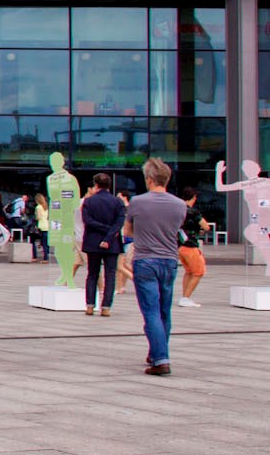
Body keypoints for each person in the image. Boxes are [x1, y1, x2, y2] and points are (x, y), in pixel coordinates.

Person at [124, 158, 182, 376]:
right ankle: (157, 351)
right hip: (169, 260)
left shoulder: (137, 202)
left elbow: (128, 232)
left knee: (151, 311)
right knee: (164, 310)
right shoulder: (179, 204)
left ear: (149, 179)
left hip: (145, 260)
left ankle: (161, 359)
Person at [80, 174, 124, 318]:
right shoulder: (117, 202)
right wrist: (109, 235)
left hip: (93, 241)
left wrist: (104, 230)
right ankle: (106, 307)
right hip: (112, 243)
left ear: (96, 185)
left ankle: (90, 305)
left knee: (92, 273)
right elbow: (119, 223)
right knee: (110, 275)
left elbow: (87, 220)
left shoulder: (88, 201)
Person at [177, 187, 210, 308]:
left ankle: (184, 296)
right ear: (194, 198)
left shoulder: (177, 209)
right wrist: (200, 230)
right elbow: (206, 226)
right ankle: (185, 298)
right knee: (199, 271)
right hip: (190, 245)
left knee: (189, 271)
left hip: (180, 245)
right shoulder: (193, 212)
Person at [31, 193, 51, 262]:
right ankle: (46, 258)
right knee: (45, 243)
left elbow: (38, 217)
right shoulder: (46, 206)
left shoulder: (38, 207)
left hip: (40, 226)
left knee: (32, 240)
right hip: (46, 225)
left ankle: (34, 256)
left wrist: (34, 219)